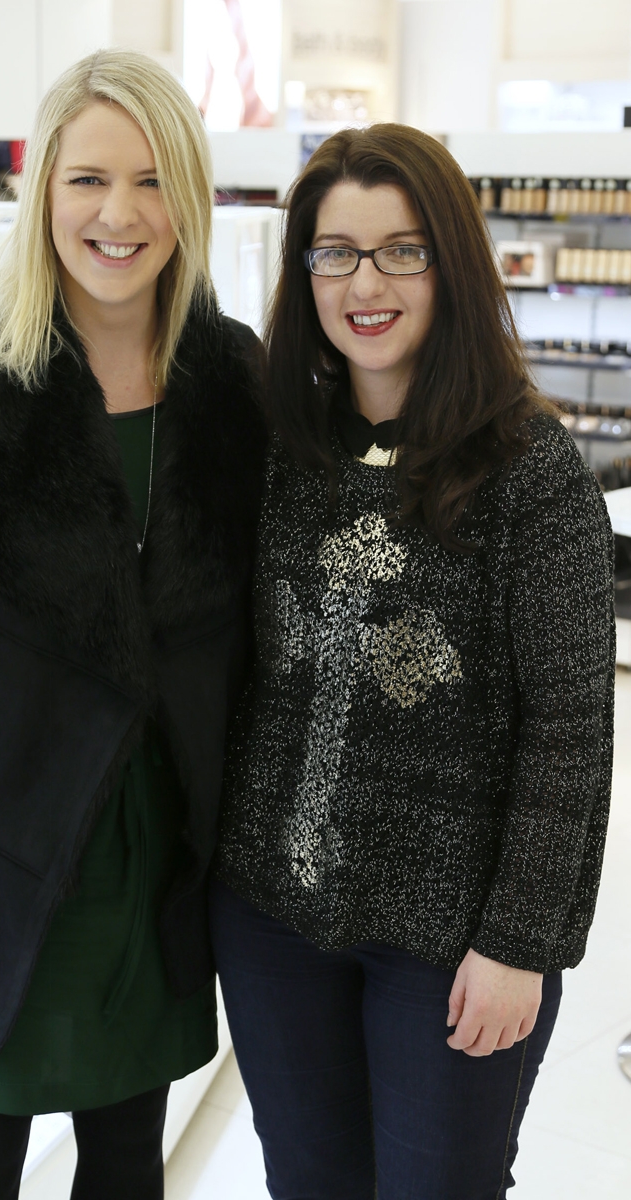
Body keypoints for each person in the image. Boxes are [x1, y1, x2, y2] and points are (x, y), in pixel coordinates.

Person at [0, 49, 265, 1200]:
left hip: (160, 860)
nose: (117, 214)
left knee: (125, 1152)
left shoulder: (232, 384)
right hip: (0, 856)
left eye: (148, 180)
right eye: (86, 179)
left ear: (187, 196)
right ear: (45, 197)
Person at [211, 124, 615, 1200]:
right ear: (304, 274)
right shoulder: (282, 448)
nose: (365, 281)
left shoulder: (530, 475)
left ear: (451, 261)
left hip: (449, 942)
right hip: (271, 915)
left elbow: (569, 731)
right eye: (334, 252)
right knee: (306, 1182)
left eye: (401, 249)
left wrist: (519, 942)